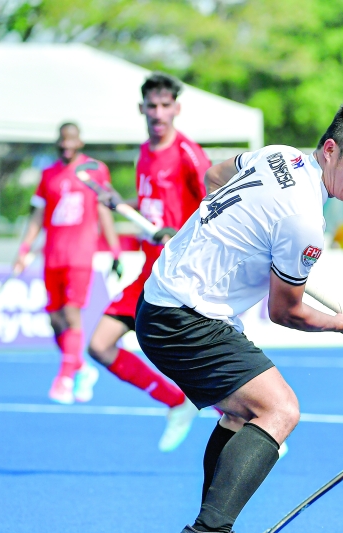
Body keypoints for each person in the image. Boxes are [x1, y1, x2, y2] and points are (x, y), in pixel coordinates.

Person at [136, 98, 343, 533]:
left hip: (165, 301)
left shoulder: (277, 154)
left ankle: (217, 532)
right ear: (330, 150)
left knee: (240, 414)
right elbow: (286, 311)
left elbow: (215, 175)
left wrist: (216, 231)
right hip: (186, 316)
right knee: (280, 410)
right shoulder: (304, 222)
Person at [87, 72, 211, 452]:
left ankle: (251, 418)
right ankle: (176, 402)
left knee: (193, 353)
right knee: (100, 345)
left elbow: (216, 206)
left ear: (176, 108)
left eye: (164, 105)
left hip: (180, 273)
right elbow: (151, 212)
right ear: (142, 108)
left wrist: (182, 233)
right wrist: (120, 204)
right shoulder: (144, 152)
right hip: (147, 269)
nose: (157, 113)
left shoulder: (189, 153)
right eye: (151, 106)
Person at [13, 122, 121, 405]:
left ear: (80, 142)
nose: (66, 145)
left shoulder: (93, 171)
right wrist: (24, 250)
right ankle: (81, 368)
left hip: (80, 255)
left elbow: (104, 210)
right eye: (62, 140)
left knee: (72, 313)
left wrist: (115, 250)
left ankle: (64, 377)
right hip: (53, 256)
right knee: (54, 319)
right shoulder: (48, 174)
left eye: (71, 140)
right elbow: (37, 216)